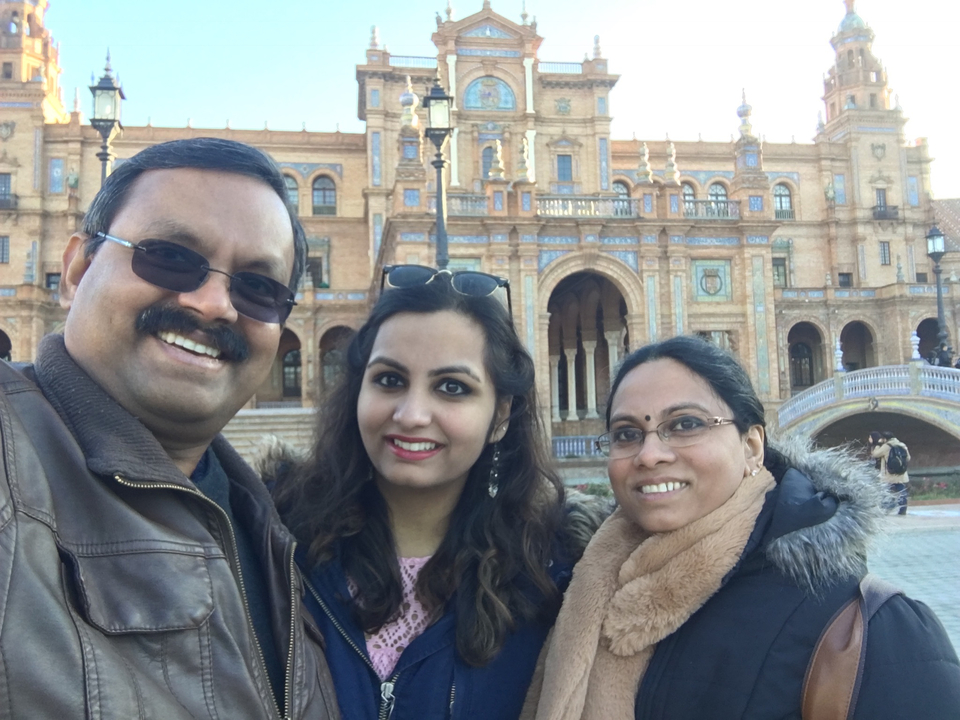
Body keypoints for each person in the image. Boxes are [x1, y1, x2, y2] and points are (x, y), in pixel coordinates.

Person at [0, 138, 338, 719]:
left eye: (257, 287)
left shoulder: (271, 528)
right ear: (77, 269)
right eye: (170, 257)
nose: (213, 304)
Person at [523, 335, 960, 720]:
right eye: (625, 433)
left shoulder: (867, 630)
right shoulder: (576, 583)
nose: (649, 454)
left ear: (753, 446)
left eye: (686, 424)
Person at [273, 267, 601, 720]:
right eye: (390, 380)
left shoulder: (556, 573)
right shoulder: (276, 546)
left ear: (501, 415)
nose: (411, 415)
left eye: (452, 387)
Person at [869, 430, 911, 515]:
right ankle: (903, 509)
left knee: (886, 492)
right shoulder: (902, 445)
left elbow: (875, 454)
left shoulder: (886, 446)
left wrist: (877, 444)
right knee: (901, 491)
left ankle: (885, 509)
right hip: (901, 473)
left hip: (889, 474)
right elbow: (908, 458)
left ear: (884, 439)